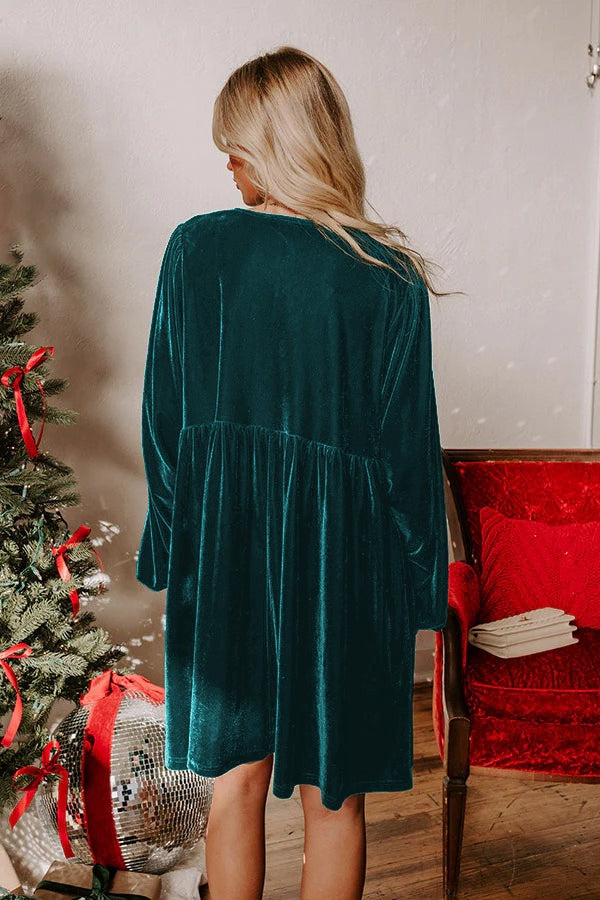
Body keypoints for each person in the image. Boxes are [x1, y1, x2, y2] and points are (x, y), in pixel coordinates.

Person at [136, 45, 452, 900]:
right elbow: (408, 457)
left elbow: (164, 421)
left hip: (224, 551)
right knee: (334, 797)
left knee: (232, 782)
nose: (226, 162)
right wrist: (420, 592)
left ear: (275, 145)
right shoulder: (386, 275)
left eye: (235, 145)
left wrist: (172, 545)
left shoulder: (196, 250)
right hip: (345, 563)